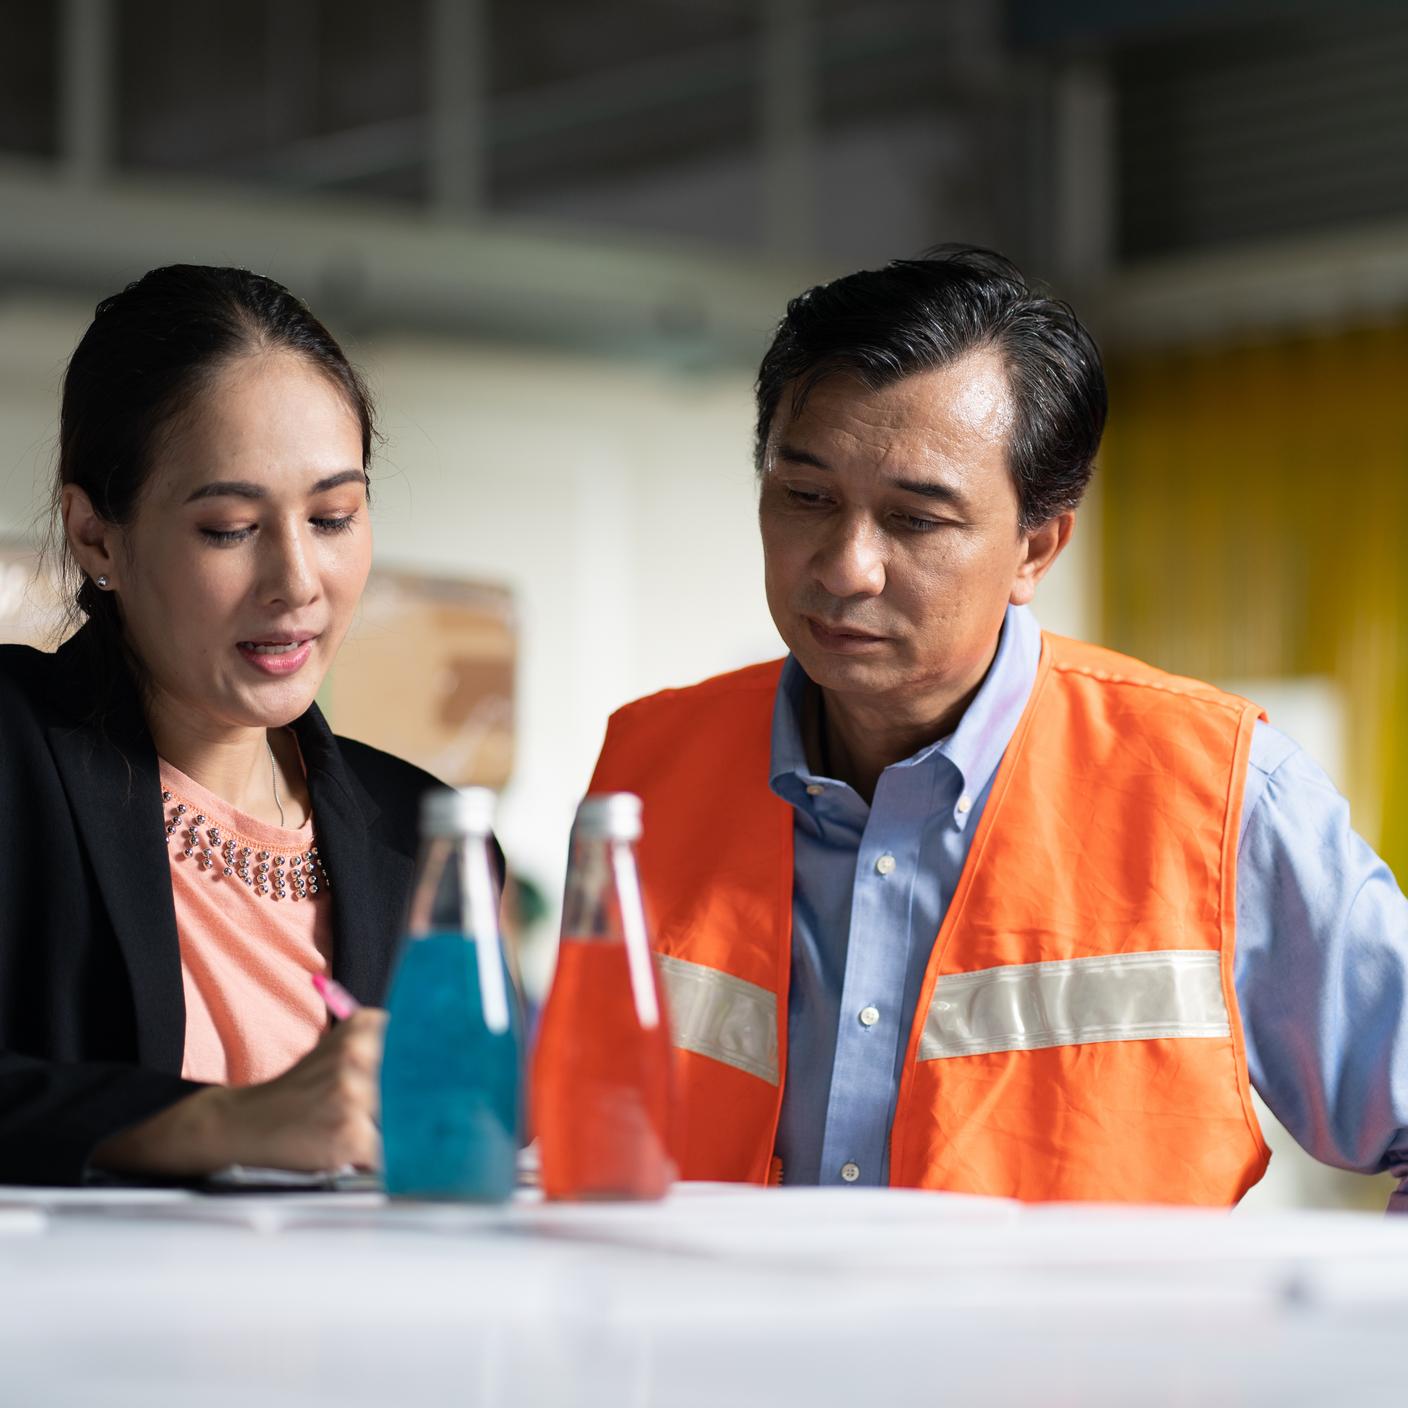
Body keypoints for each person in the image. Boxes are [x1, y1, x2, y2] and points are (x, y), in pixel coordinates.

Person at [590, 247, 1408, 1204]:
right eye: (806, 497)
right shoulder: (644, 772)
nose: (847, 566)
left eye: (917, 520)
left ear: (1038, 544)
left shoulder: (1222, 797)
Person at [0, 265, 439, 1186]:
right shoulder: (16, 755)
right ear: (96, 536)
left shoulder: (427, 833)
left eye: (332, 516)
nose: (297, 582)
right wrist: (219, 1122)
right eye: (230, 528)